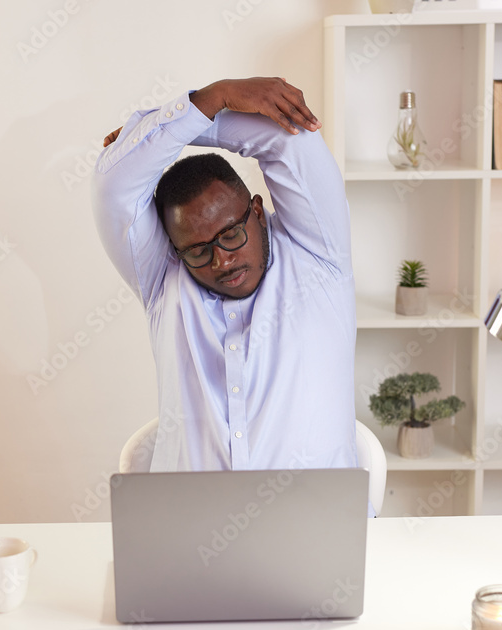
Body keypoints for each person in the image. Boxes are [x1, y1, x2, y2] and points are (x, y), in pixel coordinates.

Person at [92, 77, 356, 473]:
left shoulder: (319, 253)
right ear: (176, 248)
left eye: (231, 234)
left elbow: (288, 137)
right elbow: (113, 185)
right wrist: (213, 99)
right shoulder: (163, 279)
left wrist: (177, 123)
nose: (222, 262)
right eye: (198, 251)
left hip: (319, 511)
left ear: (256, 210)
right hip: (186, 514)